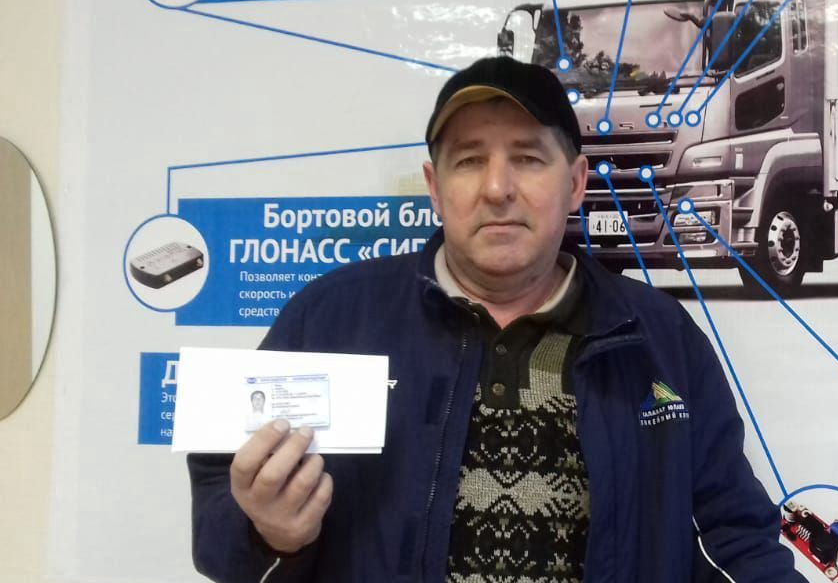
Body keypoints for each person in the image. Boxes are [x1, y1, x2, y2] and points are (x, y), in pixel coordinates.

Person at [187, 56, 804, 583]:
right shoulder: (330, 320)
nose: (497, 188)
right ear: (435, 188)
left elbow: (733, 536)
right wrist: (267, 533)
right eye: (468, 161)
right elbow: (221, 520)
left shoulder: (660, 338)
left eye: (528, 158)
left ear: (576, 183)